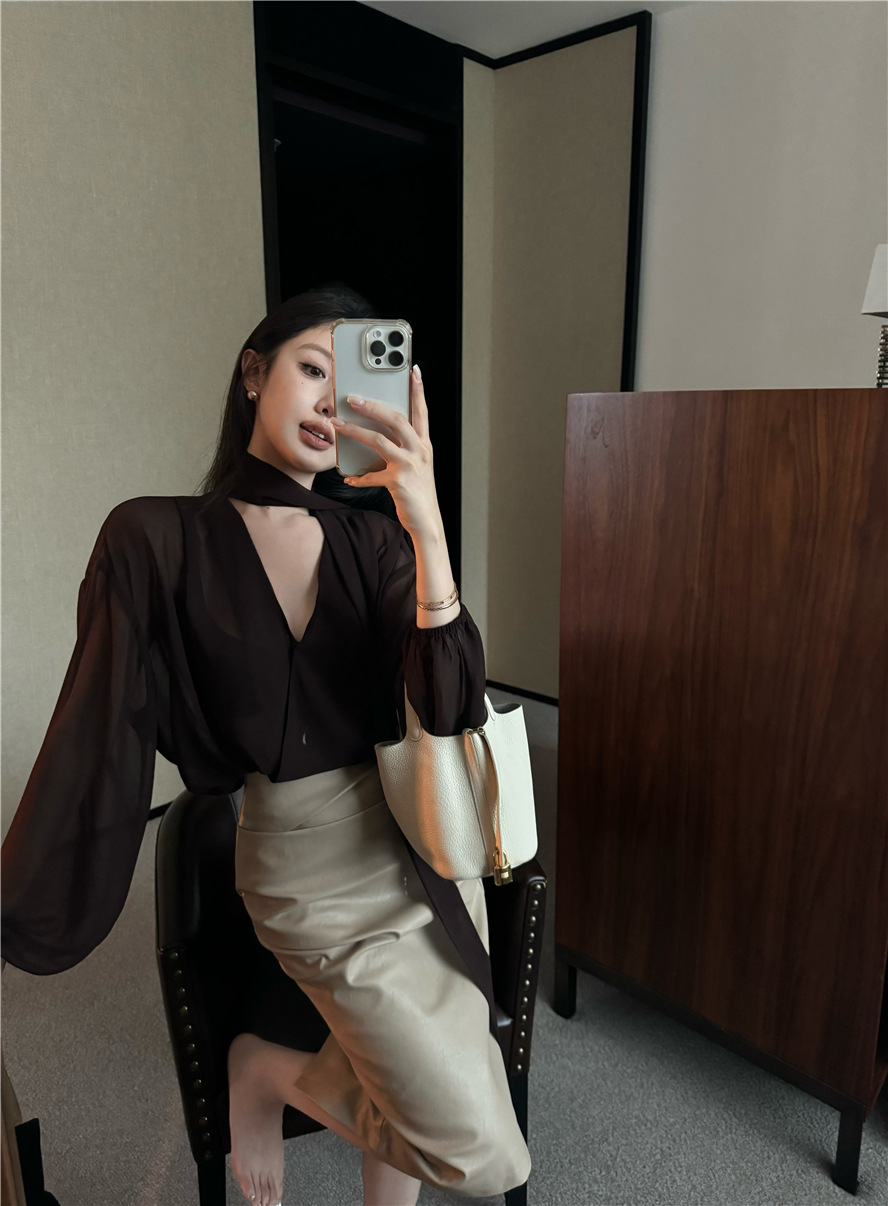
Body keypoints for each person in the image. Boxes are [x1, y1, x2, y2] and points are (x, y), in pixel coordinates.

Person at [1, 283, 532, 1206]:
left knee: (420, 1082)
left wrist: (426, 522)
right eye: (311, 369)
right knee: (482, 1155)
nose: (331, 404)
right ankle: (266, 1072)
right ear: (254, 373)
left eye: (350, 384)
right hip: (303, 871)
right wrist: (23, 897)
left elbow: (452, 706)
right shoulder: (158, 538)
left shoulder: (376, 544)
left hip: (416, 842)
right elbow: (95, 731)